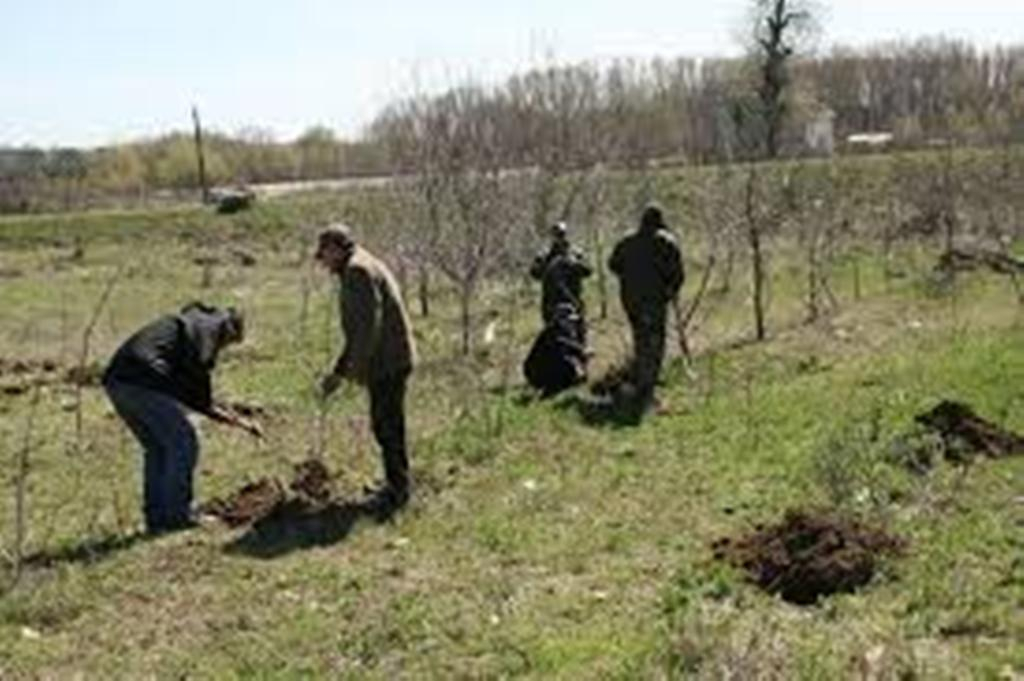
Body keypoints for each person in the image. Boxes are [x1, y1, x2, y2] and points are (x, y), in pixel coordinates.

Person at [103, 302, 263, 534]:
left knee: (158, 448)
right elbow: (201, 394)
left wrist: (239, 422)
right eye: (229, 343)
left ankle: (157, 519)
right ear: (229, 329)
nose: (224, 348)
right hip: (144, 379)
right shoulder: (209, 328)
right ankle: (178, 516)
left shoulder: (188, 328)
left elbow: (197, 398)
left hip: (117, 381)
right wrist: (238, 421)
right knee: (183, 443)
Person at [315, 224, 417, 515]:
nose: (322, 261)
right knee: (385, 425)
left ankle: (398, 492)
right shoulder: (358, 263)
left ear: (336, 248)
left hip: (388, 361)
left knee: (388, 426)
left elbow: (365, 332)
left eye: (324, 254)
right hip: (387, 359)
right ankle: (395, 483)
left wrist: (344, 374)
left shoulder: (358, 271)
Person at [608, 203, 685, 410]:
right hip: (654, 301)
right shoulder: (666, 242)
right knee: (655, 342)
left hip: (631, 300)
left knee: (640, 338)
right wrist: (669, 291)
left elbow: (613, 265)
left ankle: (641, 382)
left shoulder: (626, 242)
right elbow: (678, 274)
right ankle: (646, 390)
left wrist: (630, 277)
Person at [530, 222, 593, 340]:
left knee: (579, 330)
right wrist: (547, 265)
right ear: (552, 236)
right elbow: (534, 273)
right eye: (557, 235)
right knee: (552, 333)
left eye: (562, 234)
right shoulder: (545, 255)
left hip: (573, 299)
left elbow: (588, 270)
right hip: (551, 301)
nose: (559, 238)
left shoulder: (575, 253)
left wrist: (575, 264)